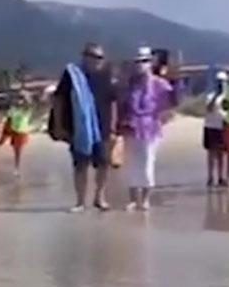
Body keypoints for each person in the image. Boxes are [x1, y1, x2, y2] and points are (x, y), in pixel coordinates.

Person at [50, 42, 117, 212]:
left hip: (102, 126)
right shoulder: (72, 74)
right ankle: (80, 201)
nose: (98, 61)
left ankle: (99, 197)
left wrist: (113, 126)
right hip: (78, 127)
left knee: (104, 164)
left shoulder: (107, 74)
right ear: (85, 57)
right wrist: (58, 125)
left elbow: (113, 101)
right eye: (95, 57)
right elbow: (58, 100)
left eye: (101, 57)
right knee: (81, 165)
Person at [118, 47, 175, 211]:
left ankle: (145, 198)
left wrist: (162, 118)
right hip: (131, 127)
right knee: (131, 164)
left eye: (143, 61)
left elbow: (171, 101)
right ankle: (133, 198)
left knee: (147, 163)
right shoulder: (130, 83)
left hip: (150, 127)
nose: (140, 65)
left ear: (150, 63)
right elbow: (122, 103)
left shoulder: (159, 84)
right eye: (137, 61)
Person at [203, 71, 228, 187]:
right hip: (210, 126)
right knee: (211, 153)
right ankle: (210, 177)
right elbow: (209, 108)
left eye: (222, 82)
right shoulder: (210, 96)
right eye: (219, 82)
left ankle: (221, 177)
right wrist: (216, 96)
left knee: (221, 154)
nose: (221, 84)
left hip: (222, 127)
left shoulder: (228, 97)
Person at [0, 92, 34, 176]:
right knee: (16, 152)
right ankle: (17, 167)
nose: (19, 101)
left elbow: (29, 105)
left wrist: (26, 97)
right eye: (19, 98)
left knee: (19, 152)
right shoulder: (13, 109)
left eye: (21, 99)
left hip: (21, 132)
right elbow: (8, 121)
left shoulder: (26, 110)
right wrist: (4, 136)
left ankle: (18, 168)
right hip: (14, 132)